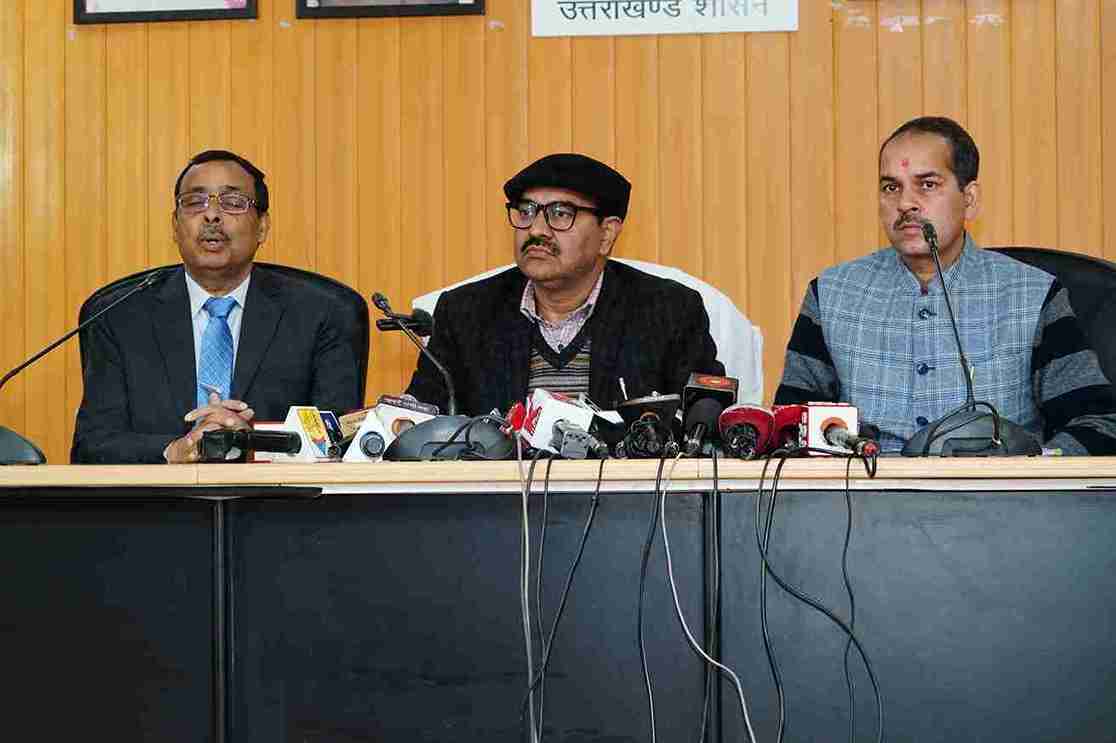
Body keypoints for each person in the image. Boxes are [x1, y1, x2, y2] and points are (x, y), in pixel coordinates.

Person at [776, 116, 1116, 454]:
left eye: (927, 185)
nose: (905, 203)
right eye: (891, 187)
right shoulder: (832, 294)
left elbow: (1097, 422)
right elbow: (789, 430)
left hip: (999, 488)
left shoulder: (1032, 295)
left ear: (970, 198)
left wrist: (1035, 467)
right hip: (867, 487)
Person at [72, 150, 363, 464]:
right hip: (159, 494)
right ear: (175, 225)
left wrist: (252, 443)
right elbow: (92, 446)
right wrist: (175, 450)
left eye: (233, 202)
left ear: (262, 227)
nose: (211, 215)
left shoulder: (322, 315)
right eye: (194, 202)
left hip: (276, 494)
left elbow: (338, 440)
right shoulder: (119, 317)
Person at [405, 152, 723, 415]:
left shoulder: (669, 311)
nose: (536, 229)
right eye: (526, 211)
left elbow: (705, 418)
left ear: (607, 234)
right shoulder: (465, 313)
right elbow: (417, 425)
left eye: (560, 214)